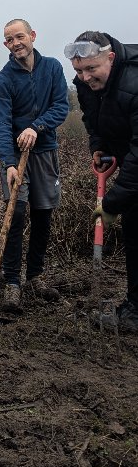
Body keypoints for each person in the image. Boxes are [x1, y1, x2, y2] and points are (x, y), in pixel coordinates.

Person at [0, 18, 68, 314]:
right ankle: (12, 282)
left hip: (45, 152)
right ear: (5, 45)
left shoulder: (52, 68)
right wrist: (9, 164)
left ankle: (35, 276)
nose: (16, 43)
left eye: (19, 36)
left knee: (43, 214)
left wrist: (37, 127)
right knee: (16, 215)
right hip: (15, 159)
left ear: (32, 36)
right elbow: (1, 123)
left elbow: (61, 106)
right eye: (9, 40)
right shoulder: (4, 79)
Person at [66, 31, 138, 333]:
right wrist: (99, 145)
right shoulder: (89, 84)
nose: (84, 77)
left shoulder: (134, 84)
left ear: (110, 58)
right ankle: (134, 308)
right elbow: (93, 119)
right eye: (79, 70)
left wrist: (111, 204)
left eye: (91, 69)